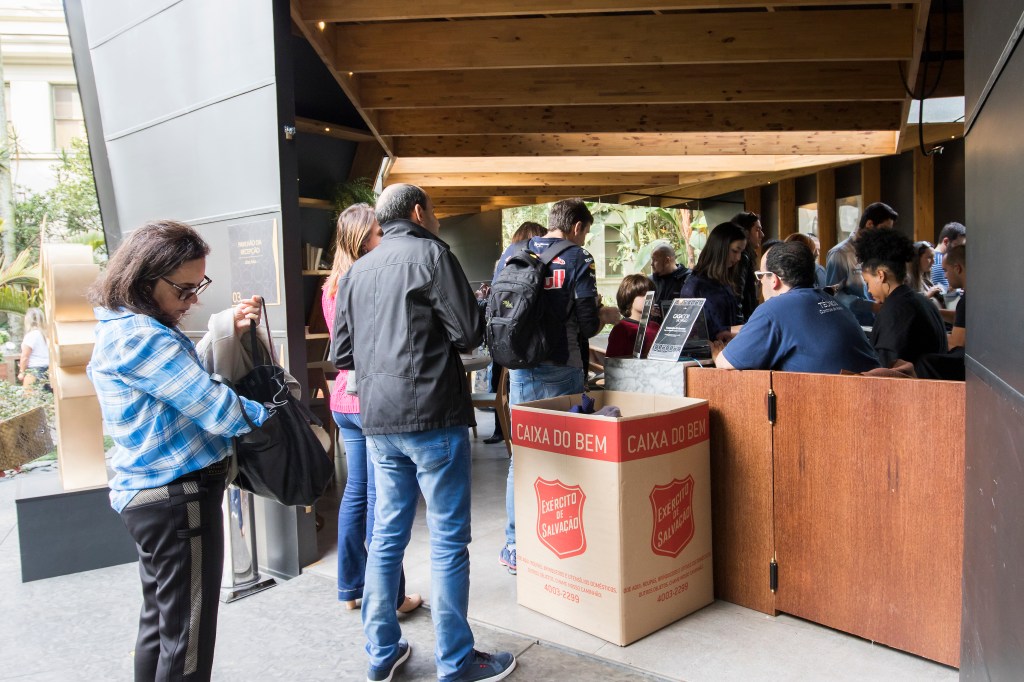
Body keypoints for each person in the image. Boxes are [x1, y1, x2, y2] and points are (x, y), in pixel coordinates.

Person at [332, 184, 516, 682]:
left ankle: (381, 652)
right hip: (433, 414)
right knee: (448, 540)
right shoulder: (433, 255)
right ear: (418, 212)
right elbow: (468, 333)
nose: (435, 218)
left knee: (386, 536)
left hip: (378, 420)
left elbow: (342, 353)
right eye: (433, 210)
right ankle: (456, 662)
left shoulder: (357, 270)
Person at [87, 220, 269, 682]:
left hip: (154, 497)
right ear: (144, 278)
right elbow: (220, 411)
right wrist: (277, 408)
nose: (192, 300)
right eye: (184, 289)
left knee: (161, 627)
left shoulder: (126, 327)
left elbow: (180, 386)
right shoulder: (143, 337)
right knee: (187, 640)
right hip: (177, 499)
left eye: (198, 287)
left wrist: (224, 333)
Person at [322, 203, 422, 615]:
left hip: (342, 401)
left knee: (355, 494)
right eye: (380, 232)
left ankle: (350, 588)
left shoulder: (331, 285)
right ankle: (392, 598)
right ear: (364, 239)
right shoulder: (368, 279)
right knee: (383, 501)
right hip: (369, 401)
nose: (386, 237)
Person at [497, 198, 602, 577]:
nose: (584, 238)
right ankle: (564, 540)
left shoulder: (512, 252)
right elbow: (588, 324)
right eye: (585, 231)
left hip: (520, 367)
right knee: (567, 454)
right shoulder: (578, 257)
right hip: (563, 366)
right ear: (577, 227)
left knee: (522, 458)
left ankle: (515, 545)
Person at [712, 241, 879, 374]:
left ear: (774, 280)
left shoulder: (773, 309)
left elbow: (725, 363)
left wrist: (717, 352)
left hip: (835, 401)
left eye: (761, 276)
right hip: (874, 392)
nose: (760, 282)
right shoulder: (833, 301)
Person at [484, 221, 548, 445]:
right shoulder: (538, 261)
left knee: (499, 383)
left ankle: (501, 429)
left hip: (500, 333)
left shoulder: (505, 261)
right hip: (527, 339)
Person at [855, 227, 948, 368]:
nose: (869, 289)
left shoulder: (893, 313)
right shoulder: (923, 302)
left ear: (881, 275)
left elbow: (887, 370)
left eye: (868, 282)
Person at [825, 201, 899, 325]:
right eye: (884, 230)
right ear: (869, 224)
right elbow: (833, 297)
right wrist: (872, 307)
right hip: (853, 326)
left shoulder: (877, 251)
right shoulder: (840, 253)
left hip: (877, 323)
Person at [679, 222, 747, 342]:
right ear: (719, 248)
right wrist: (733, 330)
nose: (738, 258)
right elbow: (693, 332)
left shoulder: (724, 281)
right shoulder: (694, 286)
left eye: (741, 252)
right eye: (735, 251)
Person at [605, 274, 661, 359]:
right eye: (642, 294)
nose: (648, 298)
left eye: (651, 294)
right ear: (628, 297)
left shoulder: (655, 326)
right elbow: (613, 362)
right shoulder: (622, 328)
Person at [731, 211, 764, 321]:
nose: (762, 235)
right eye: (757, 230)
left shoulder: (747, 256)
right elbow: (737, 295)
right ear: (745, 232)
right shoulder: (742, 258)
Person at [649, 242, 690, 319]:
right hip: (654, 326)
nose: (652, 264)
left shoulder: (688, 280)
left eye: (655, 260)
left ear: (667, 260)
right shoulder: (650, 281)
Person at [18, 307, 50, 390]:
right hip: (49, 371)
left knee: (31, 396)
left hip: (35, 371)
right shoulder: (47, 335)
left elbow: (25, 357)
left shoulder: (31, 335)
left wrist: (22, 372)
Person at [942, 244, 967, 349]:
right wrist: (934, 312)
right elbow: (961, 318)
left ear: (957, 268)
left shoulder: (967, 301)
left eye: (946, 270)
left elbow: (956, 344)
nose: (945, 276)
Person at [931, 221, 966, 292]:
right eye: (958, 246)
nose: (961, 250)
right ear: (946, 242)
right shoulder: (941, 263)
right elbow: (947, 294)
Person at [907, 241, 945, 307]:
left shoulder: (926, 279)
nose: (933, 262)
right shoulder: (906, 280)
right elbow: (907, 304)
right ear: (916, 259)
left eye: (933, 257)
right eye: (929, 257)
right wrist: (928, 295)